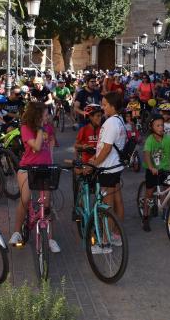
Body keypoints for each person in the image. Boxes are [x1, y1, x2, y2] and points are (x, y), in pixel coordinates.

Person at [8, 102, 61, 253]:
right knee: (25, 199)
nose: (48, 117)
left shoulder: (48, 127)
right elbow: (36, 146)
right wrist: (40, 129)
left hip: (45, 169)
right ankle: (17, 231)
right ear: (37, 116)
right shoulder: (26, 128)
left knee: (47, 204)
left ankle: (50, 238)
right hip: (27, 168)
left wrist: (51, 163)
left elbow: (50, 144)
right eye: (45, 114)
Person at [89, 93, 126, 252]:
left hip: (107, 168)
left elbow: (107, 148)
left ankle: (105, 242)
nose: (102, 108)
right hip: (115, 167)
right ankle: (116, 235)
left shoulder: (110, 122)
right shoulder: (119, 120)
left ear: (112, 106)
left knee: (107, 206)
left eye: (105, 105)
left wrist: (94, 164)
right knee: (117, 201)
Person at [73, 104, 103, 218]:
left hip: (99, 163)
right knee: (82, 186)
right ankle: (78, 206)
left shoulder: (102, 129)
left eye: (101, 116)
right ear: (90, 117)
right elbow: (76, 145)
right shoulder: (84, 130)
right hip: (86, 163)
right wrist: (83, 147)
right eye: (97, 116)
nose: (100, 118)